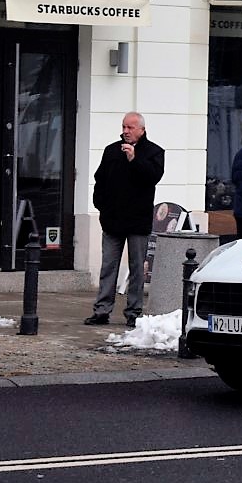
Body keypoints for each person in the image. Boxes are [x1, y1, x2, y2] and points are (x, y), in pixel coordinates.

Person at [85, 112, 165, 328]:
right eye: (124, 127)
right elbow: (99, 179)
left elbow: (152, 177)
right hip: (112, 219)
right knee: (108, 266)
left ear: (141, 129)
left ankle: (134, 312)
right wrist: (100, 204)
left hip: (137, 221)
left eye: (130, 128)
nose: (126, 132)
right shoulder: (112, 150)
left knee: (137, 267)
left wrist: (134, 159)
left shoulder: (154, 152)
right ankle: (102, 310)